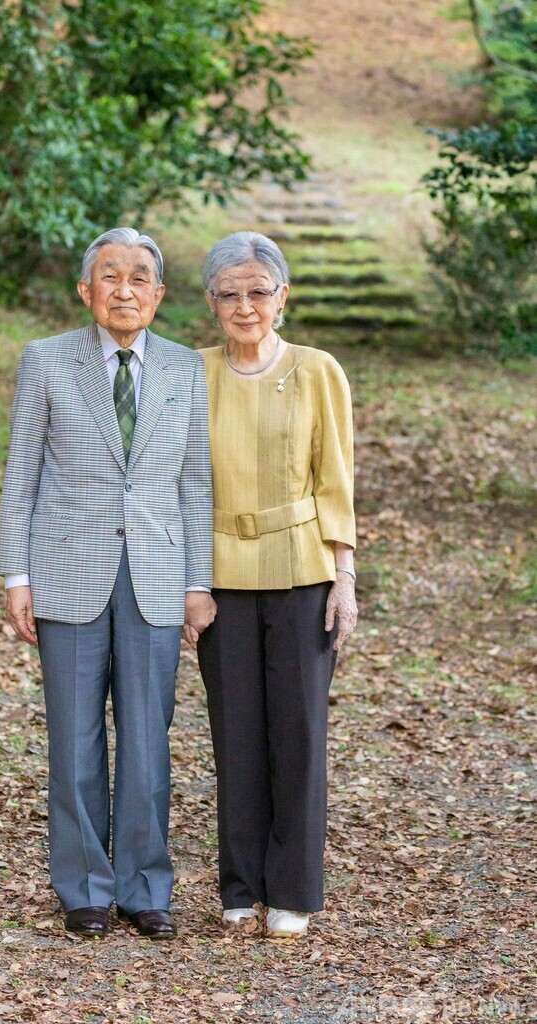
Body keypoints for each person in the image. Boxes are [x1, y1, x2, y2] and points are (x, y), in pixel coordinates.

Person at [0, 227, 216, 940]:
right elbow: (21, 473)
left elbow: (194, 482)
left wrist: (198, 582)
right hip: (66, 569)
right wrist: (16, 573)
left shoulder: (184, 367)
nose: (125, 290)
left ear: (159, 293)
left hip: (157, 573)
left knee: (149, 738)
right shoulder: (46, 360)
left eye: (138, 277)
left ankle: (145, 887)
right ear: (85, 290)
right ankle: (84, 887)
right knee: (74, 736)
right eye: (110, 277)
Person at [195, 231, 357, 938]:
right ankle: (239, 886)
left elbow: (335, 480)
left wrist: (344, 575)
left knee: (297, 734)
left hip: (301, 570)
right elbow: (178, 485)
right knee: (235, 735)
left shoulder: (318, 370)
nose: (244, 306)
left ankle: (291, 890)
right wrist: (188, 583)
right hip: (219, 576)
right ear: (210, 302)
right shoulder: (191, 373)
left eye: (258, 291)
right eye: (229, 293)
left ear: (281, 296)